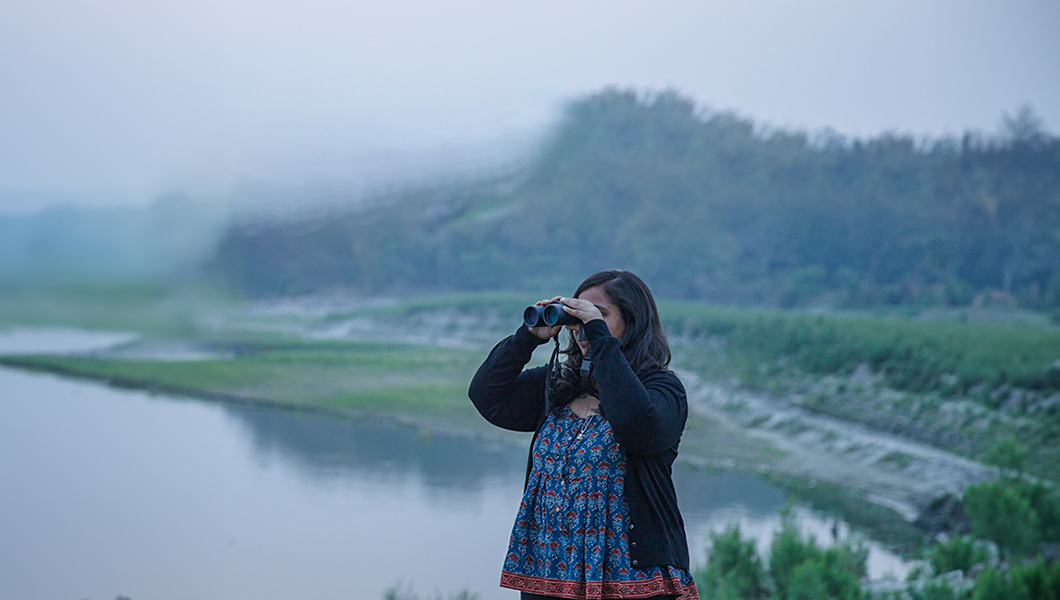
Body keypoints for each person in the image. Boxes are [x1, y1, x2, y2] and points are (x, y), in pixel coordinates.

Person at [468, 270, 698, 600]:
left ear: (631, 320)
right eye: (578, 315)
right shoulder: (558, 386)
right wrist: (527, 337)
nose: (583, 328)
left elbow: (637, 427)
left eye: (600, 315)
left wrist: (601, 339)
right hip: (549, 572)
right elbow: (487, 397)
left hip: (630, 577)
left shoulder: (662, 390)